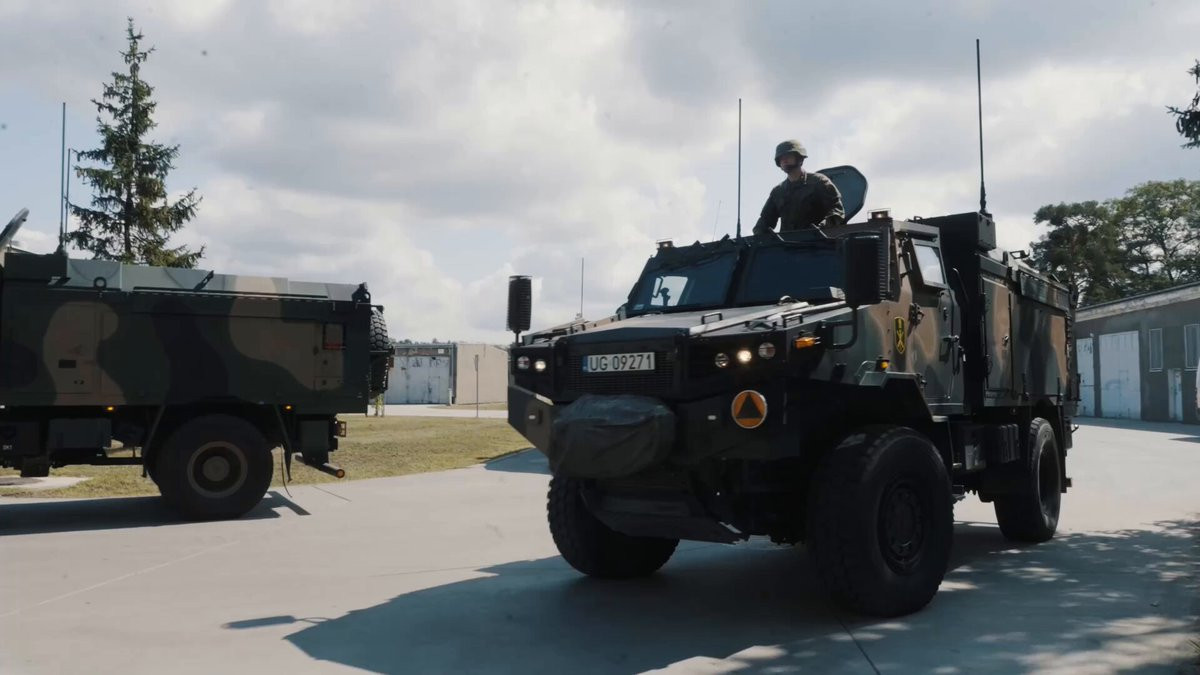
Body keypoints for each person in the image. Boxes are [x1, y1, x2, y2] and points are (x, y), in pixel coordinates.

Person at [752, 140, 845, 234]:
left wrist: (823, 227)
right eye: (781, 158)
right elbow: (765, 221)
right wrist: (759, 234)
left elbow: (837, 210)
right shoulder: (778, 192)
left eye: (788, 156)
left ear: (799, 158)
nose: (784, 160)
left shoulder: (818, 182)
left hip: (817, 240)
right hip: (788, 242)